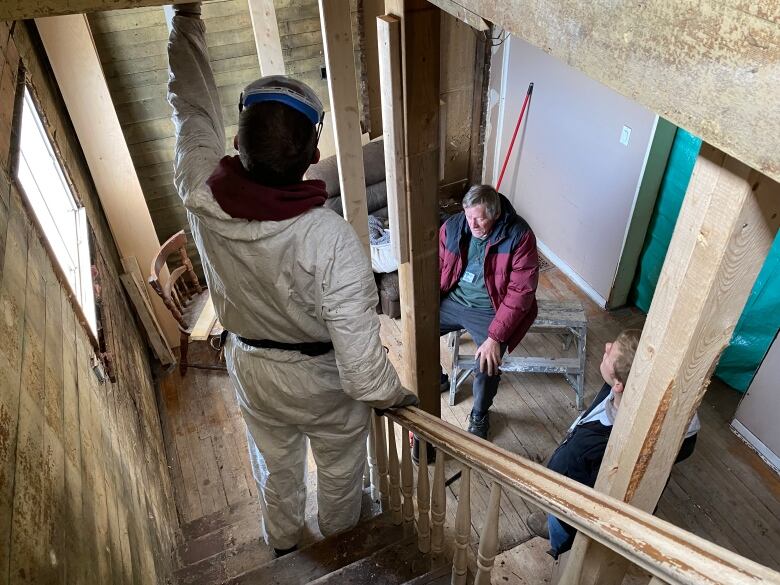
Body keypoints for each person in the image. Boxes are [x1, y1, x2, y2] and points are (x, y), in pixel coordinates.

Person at [167, 3, 416, 557]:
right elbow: (363, 375)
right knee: (340, 467)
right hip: (323, 383)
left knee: (276, 467)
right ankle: (340, 541)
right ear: (315, 154)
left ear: (237, 138)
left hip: (254, 371)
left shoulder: (201, 195)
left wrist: (184, 17)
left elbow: (189, 110)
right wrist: (401, 397)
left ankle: (282, 546)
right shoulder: (330, 239)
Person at [526, 329, 700, 558]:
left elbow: (582, 498)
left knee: (565, 533)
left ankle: (559, 542)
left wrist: (561, 514)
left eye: (610, 354)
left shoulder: (601, 445)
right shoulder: (632, 389)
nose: (606, 345)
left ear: (620, 385)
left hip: (569, 507)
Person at [438, 185, 539, 440]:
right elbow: (436, 266)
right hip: (452, 298)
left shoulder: (519, 235)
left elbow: (521, 292)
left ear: (495, 214)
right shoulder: (453, 226)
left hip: (490, 309)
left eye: (479, 217)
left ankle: (480, 413)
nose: (472, 223)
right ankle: (438, 378)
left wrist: (494, 337)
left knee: (487, 360)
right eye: (468, 215)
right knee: (417, 330)